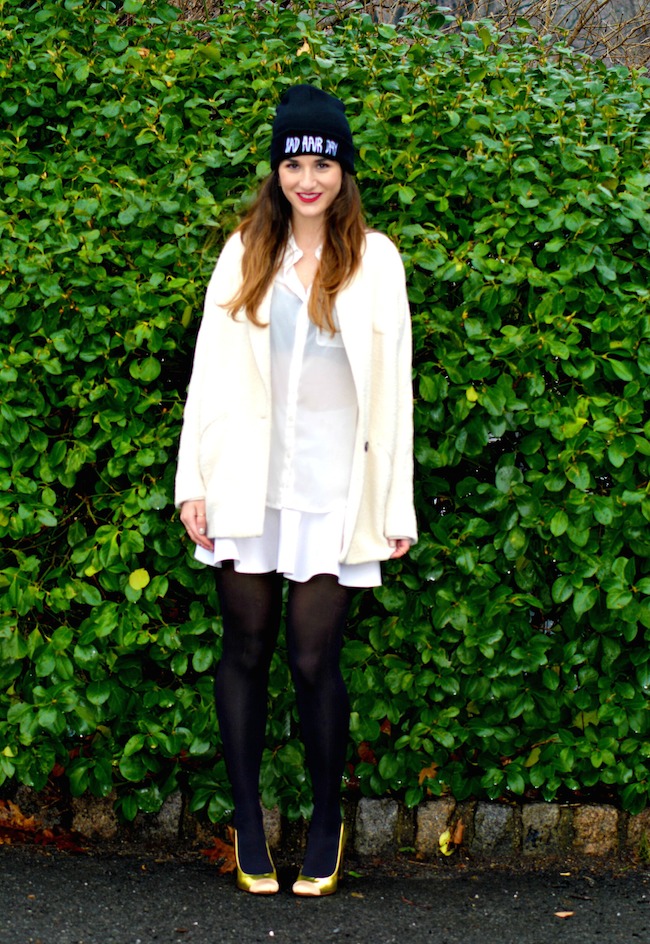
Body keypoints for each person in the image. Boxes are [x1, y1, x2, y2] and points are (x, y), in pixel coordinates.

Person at [175, 84, 417, 897]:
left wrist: (396, 505)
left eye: (321, 163)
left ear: (343, 172)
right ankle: (248, 820)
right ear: (275, 171)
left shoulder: (375, 260)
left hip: (335, 489)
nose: (306, 179)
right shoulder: (244, 251)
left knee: (315, 659)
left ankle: (323, 822)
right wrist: (192, 485)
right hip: (248, 483)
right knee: (243, 649)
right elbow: (206, 377)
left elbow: (397, 390)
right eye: (292, 162)